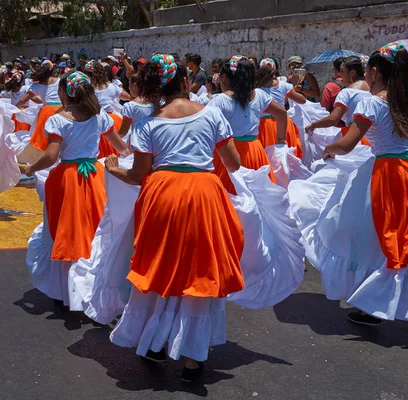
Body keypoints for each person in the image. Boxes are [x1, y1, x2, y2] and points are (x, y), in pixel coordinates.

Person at [290, 42, 408, 342]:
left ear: (375, 72)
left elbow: (346, 144)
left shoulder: (373, 103)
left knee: (381, 241)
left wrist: (328, 150)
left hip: (391, 177)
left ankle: (374, 308)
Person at [104, 54, 244, 382]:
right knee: (198, 271)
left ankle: (153, 343)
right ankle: (193, 360)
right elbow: (233, 163)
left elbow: (139, 175)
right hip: (204, 196)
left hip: (162, 197)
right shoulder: (212, 114)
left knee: (160, 269)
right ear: (185, 82)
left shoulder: (147, 124)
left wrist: (114, 170)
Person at [22, 71, 127, 307]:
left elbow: (50, 157)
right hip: (94, 176)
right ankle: (91, 289)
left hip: (67, 180)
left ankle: (67, 293)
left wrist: (30, 168)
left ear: (63, 93)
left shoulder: (58, 120)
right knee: (92, 230)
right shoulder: (100, 117)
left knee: (64, 231)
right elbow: (121, 148)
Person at [209, 56, 288, 194]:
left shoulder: (220, 100)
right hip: (254, 151)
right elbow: (282, 113)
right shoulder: (259, 95)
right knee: (259, 195)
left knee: (230, 197)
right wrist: (280, 139)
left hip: (228, 152)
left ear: (225, 78)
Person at [305, 55, 372, 146]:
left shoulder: (347, 93)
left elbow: (333, 119)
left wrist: (312, 126)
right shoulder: (373, 90)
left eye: (342, 71)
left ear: (352, 72)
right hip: (373, 138)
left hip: (353, 139)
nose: (340, 74)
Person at [256, 57, 306, 156]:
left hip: (263, 126)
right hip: (282, 124)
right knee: (283, 156)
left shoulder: (256, 88)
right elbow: (302, 100)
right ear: (275, 69)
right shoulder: (283, 85)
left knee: (267, 156)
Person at [17, 60, 62, 151]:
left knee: (46, 139)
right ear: (52, 70)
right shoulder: (60, 81)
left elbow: (23, 100)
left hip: (47, 112)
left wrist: (14, 107)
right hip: (62, 110)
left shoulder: (36, 86)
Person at [118, 73, 154, 138]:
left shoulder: (130, 106)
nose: (128, 88)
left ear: (134, 86)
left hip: (138, 143)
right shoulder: (157, 102)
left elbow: (123, 132)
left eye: (129, 84)